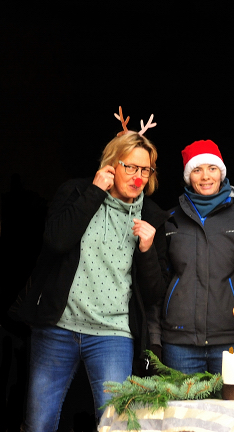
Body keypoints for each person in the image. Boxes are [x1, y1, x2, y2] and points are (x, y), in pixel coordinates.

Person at [10, 111, 169, 430]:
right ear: (112, 164)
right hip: (58, 327)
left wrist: (148, 251)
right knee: (39, 423)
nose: (138, 176)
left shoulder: (153, 216)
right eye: (130, 166)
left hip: (113, 333)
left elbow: (155, 294)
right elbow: (55, 242)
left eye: (144, 169)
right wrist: (96, 192)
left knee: (117, 425)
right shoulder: (75, 192)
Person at [149, 139, 234, 376]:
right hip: (179, 344)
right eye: (197, 170)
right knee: (182, 414)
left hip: (232, 343)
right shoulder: (169, 220)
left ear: (221, 172)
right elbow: (159, 284)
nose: (205, 176)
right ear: (188, 177)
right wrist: (155, 338)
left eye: (212, 168)